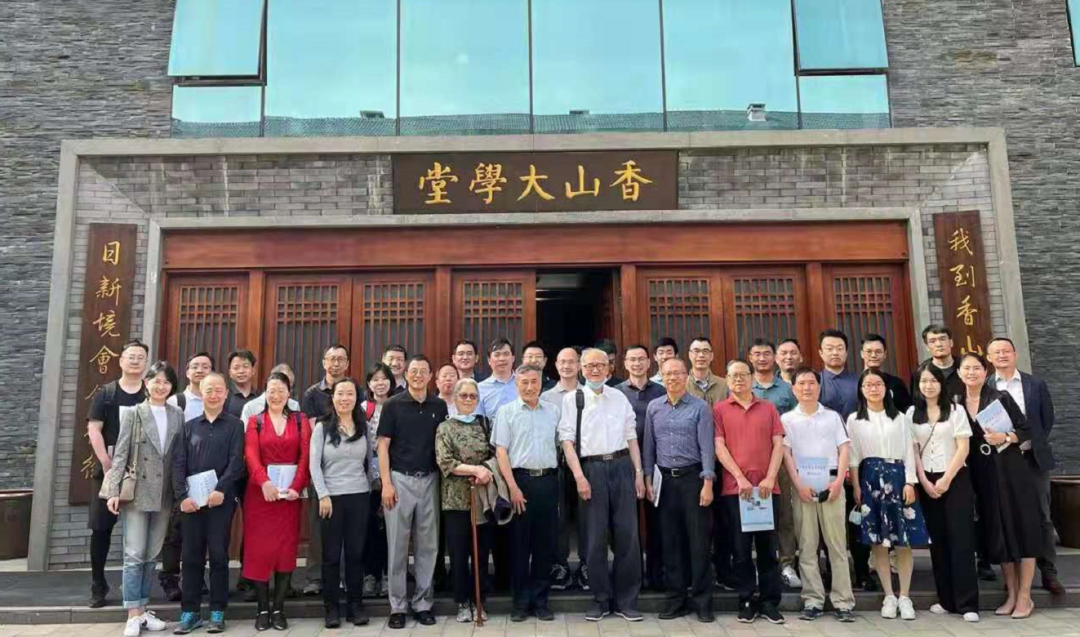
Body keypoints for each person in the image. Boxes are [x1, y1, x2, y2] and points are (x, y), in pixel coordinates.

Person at [558, 348, 646, 622]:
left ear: (609, 368)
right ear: (581, 368)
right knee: (595, 538)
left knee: (627, 536)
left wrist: (639, 473)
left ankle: (627, 600)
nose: (595, 370)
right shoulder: (573, 399)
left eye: (601, 365)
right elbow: (567, 442)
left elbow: (631, 437)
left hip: (622, 467)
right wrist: (579, 477)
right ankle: (600, 599)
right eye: (589, 365)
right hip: (591, 470)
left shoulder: (619, 397)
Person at [957, 352, 1044, 619]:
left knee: (1022, 529)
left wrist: (1005, 436)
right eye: (966, 368)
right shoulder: (956, 403)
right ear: (959, 373)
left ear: (986, 372)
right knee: (999, 532)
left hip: (1010, 471)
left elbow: (1026, 430)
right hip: (982, 475)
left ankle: (1026, 596)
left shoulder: (1000, 398)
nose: (971, 373)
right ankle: (1012, 594)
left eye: (977, 368)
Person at [103, 361, 184, 637]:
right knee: (134, 554)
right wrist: (113, 491)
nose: (160, 386)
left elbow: (179, 455)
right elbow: (121, 454)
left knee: (151, 555)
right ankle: (132, 613)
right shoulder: (134, 413)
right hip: (138, 492)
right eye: (155, 381)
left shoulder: (177, 414)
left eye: (166, 382)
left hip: (165, 494)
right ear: (146, 383)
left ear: (172, 386)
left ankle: (143, 608)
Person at [848, 367, 928, 621]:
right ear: (861, 390)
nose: (873, 388)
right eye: (868, 385)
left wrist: (910, 482)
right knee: (878, 543)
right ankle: (889, 596)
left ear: (886, 388)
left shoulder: (901, 418)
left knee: (903, 541)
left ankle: (905, 596)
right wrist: (856, 487)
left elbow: (909, 452)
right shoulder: (854, 419)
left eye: (878, 384)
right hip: (870, 479)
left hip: (899, 478)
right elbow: (853, 457)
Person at [642, 357, 716, 623]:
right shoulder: (654, 407)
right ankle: (676, 600)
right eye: (668, 374)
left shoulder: (700, 407)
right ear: (661, 377)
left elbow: (707, 447)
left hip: (693, 480)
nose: (672, 377)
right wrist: (648, 480)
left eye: (678, 373)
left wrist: (708, 482)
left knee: (698, 542)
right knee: (670, 543)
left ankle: (703, 601)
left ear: (686, 376)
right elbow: (648, 446)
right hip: (664, 482)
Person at [172, 372, 246, 635]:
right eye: (208, 390)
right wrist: (182, 497)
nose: (213, 395)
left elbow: (236, 462)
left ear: (226, 394)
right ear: (200, 393)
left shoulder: (236, 426)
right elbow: (178, 463)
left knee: (218, 555)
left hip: (220, 502)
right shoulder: (189, 426)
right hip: (192, 503)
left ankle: (217, 611)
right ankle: (190, 612)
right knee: (191, 556)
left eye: (218, 390)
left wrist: (220, 490)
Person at [377, 355, 448, 630]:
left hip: (430, 479)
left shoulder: (439, 405)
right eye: (413, 371)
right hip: (399, 480)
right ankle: (397, 606)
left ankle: (423, 604)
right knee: (396, 546)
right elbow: (383, 446)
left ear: (431, 376)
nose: (418, 375)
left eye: (423, 371)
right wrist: (386, 483)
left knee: (428, 546)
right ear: (406, 375)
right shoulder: (393, 405)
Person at [780, 368, 856, 623]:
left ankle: (843, 601)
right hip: (803, 488)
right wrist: (798, 484)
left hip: (832, 486)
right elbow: (786, 455)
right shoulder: (787, 420)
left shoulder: (832, 417)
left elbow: (844, 449)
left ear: (819, 386)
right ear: (793, 389)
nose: (807, 387)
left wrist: (839, 482)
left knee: (837, 546)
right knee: (807, 546)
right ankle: (813, 600)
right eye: (801, 383)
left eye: (811, 383)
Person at [713, 359, 785, 625]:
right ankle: (746, 600)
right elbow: (719, 447)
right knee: (740, 550)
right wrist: (740, 478)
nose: (739, 379)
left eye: (743, 374)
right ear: (727, 379)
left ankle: (769, 601)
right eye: (733, 375)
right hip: (736, 491)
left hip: (767, 489)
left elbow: (778, 445)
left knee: (767, 548)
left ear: (752, 378)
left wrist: (770, 477)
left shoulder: (768, 408)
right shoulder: (720, 409)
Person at [988, 337, 1062, 594]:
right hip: (1001, 462)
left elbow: (1046, 419)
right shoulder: (987, 386)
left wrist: (1029, 443)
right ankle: (1013, 576)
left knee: (1042, 514)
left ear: (1015, 354)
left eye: (1006, 351)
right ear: (989, 358)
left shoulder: (1035, 384)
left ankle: (1048, 570)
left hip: (1032, 458)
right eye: (996, 352)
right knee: (1007, 515)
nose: (1002, 355)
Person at [909, 362, 979, 622]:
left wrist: (947, 479)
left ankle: (967, 603)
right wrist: (924, 481)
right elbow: (913, 451)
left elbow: (963, 448)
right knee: (937, 541)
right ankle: (946, 599)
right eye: (923, 381)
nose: (928, 386)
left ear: (941, 383)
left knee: (961, 539)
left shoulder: (956, 410)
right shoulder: (911, 413)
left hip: (955, 477)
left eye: (933, 381)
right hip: (926, 480)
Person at [243, 371, 312, 631]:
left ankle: (279, 609)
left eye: (281, 390)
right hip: (260, 496)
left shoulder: (300, 420)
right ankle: (262, 609)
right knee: (260, 551)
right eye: (271, 391)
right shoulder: (255, 421)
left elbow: (305, 456)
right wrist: (265, 483)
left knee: (285, 550)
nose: (275, 395)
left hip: (289, 497)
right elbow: (251, 455)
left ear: (289, 393)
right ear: (265, 393)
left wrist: (297, 486)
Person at [493, 366, 560, 622]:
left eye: (534, 381)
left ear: (541, 383)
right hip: (519, 481)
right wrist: (512, 487)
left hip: (548, 481)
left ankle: (541, 601)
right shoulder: (506, 412)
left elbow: (560, 445)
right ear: (516, 384)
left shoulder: (553, 411)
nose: (530, 387)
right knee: (519, 545)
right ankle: (520, 602)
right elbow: (501, 452)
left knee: (545, 545)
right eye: (524, 383)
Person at [86, 339, 147, 609]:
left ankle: (136, 586)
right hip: (109, 470)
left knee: (140, 531)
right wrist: (106, 462)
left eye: (140, 357)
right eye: (130, 356)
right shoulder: (107, 393)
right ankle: (98, 584)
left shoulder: (150, 392)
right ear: (121, 360)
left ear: (145, 363)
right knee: (101, 528)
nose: (135, 361)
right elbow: (94, 429)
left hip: (141, 472)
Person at [309, 377, 374, 629]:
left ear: (356, 398)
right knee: (331, 555)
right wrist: (323, 494)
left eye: (350, 394)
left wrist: (371, 490)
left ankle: (355, 606)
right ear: (332, 398)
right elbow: (314, 465)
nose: (344, 399)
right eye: (340, 394)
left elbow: (368, 463)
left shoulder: (363, 426)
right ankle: (331, 608)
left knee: (356, 554)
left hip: (359, 496)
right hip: (331, 499)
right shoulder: (322, 427)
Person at [817, 328, 874, 591]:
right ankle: (832, 572)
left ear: (847, 352)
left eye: (839, 348)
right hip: (824, 461)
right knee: (829, 521)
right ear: (820, 352)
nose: (834, 352)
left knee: (857, 514)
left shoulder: (860, 381)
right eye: (829, 348)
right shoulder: (814, 382)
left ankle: (862, 571)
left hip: (857, 458)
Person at [436, 378, 496, 623]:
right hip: (456, 500)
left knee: (480, 552)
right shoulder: (445, 427)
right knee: (459, 553)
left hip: (481, 497)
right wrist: (474, 470)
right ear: (455, 399)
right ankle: (462, 602)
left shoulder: (485, 424)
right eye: (464, 396)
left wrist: (485, 470)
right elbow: (445, 461)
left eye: (473, 396)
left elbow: (495, 454)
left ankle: (479, 600)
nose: (468, 400)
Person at [161, 352, 215, 600]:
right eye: (195, 366)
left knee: (200, 530)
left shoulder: (214, 400)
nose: (200, 370)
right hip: (180, 471)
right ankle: (170, 578)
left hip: (205, 475)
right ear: (187, 371)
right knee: (175, 530)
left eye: (206, 366)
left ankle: (195, 576)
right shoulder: (177, 401)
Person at [747, 338, 799, 589]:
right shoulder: (745, 387)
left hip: (782, 460)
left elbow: (798, 422)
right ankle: (758, 564)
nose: (762, 358)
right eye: (757, 354)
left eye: (767, 353)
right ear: (750, 358)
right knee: (753, 513)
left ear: (774, 357)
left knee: (784, 514)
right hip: (751, 460)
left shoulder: (787, 389)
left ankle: (787, 563)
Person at [300, 344, 351, 598]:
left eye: (341, 359)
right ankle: (314, 577)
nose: (336, 363)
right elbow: (312, 432)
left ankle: (342, 577)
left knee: (346, 527)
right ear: (324, 362)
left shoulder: (353, 389)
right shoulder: (312, 394)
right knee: (318, 525)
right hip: (320, 466)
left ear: (347, 363)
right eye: (332, 359)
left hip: (348, 469)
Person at [616, 345, 665, 591]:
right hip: (626, 464)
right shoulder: (616, 393)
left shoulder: (661, 391)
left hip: (658, 463)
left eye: (641, 359)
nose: (636, 363)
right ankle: (633, 577)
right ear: (625, 363)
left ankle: (657, 575)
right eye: (632, 359)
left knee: (657, 522)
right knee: (629, 524)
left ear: (649, 363)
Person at [540, 347, 584, 591]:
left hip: (585, 462)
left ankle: (587, 564)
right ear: (556, 365)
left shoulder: (588, 393)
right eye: (562, 362)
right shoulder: (546, 397)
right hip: (557, 463)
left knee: (586, 515)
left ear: (579, 365)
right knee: (559, 517)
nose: (567, 366)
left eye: (571, 362)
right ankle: (560, 565)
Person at [359, 363, 394, 599]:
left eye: (384, 379)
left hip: (393, 473)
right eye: (375, 379)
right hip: (366, 476)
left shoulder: (398, 405)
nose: (380, 383)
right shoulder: (362, 409)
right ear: (369, 384)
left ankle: (389, 575)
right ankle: (370, 575)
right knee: (370, 527)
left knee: (391, 529)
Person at [860, 334, 912, 413]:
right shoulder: (854, 383)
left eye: (878, 351)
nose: (873, 355)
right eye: (869, 352)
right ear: (862, 354)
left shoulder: (896, 384)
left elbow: (906, 412)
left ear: (885, 354)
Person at [913, 325, 964, 398]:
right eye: (932, 341)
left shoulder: (964, 366)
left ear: (951, 342)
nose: (939, 344)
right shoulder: (921, 372)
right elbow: (917, 400)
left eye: (943, 339)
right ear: (927, 347)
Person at [478, 338, 518, 418]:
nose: (502, 359)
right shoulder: (480, 388)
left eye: (506, 354)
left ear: (513, 358)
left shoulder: (523, 383)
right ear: (489, 360)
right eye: (497, 355)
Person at [686, 337, 726, 405]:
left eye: (705, 351)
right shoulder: (682, 385)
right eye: (696, 351)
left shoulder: (724, 385)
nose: (701, 355)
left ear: (712, 356)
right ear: (689, 355)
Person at [225, 349, 259, 418]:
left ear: (253, 370)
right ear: (230, 373)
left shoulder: (260, 396)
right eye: (236, 368)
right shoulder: (224, 395)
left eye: (245, 367)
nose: (241, 371)